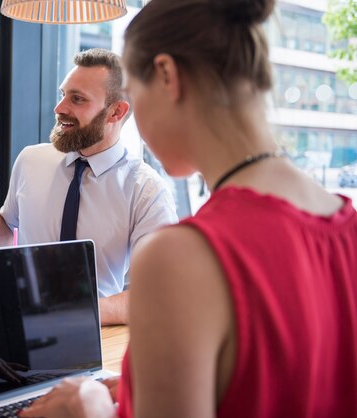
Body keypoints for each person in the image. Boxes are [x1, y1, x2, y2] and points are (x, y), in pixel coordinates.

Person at [19, 0, 357, 417]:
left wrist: (88, 411)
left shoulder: (183, 256)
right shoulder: (347, 227)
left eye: (136, 97)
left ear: (167, 76)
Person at [0, 48, 177, 325]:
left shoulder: (146, 190)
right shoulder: (31, 160)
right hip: (19, 324)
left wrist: (72, 314)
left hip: (98, 333)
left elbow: (156, 294)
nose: (60, 108)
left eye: (77, 99)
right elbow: (6, 229)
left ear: (116, 112)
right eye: (63, 94)